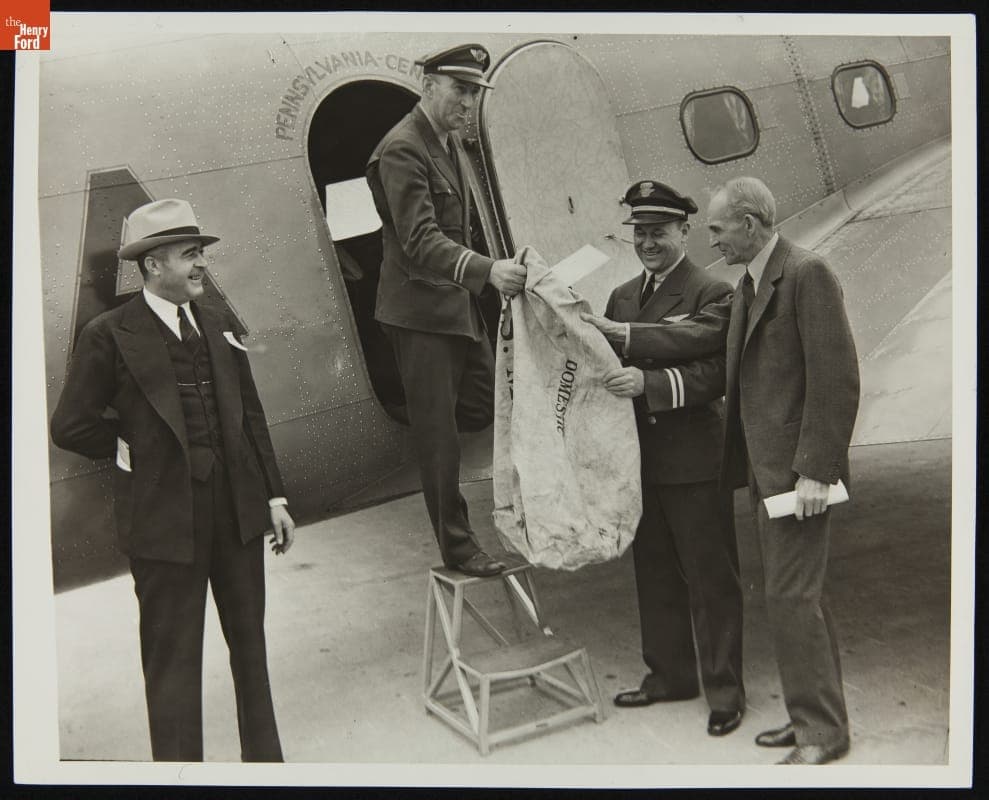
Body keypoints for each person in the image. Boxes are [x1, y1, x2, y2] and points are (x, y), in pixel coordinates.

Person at [589, 177, 860, 764]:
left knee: (792, 597)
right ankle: (809, 718)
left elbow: (835, 379)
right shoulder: (752, 282)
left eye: (715, 228)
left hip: (793, 473)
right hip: (767, 471)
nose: (712, 240)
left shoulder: (804, 274)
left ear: (750, 224)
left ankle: (820, 731)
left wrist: (817, 468)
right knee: (792, 599)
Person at [50, 198, 294, 762]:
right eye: (190, 256)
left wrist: (275, 496)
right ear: (153, 265)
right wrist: (124, 445)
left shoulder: (218, 323)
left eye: (201, 254)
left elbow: (249, 416)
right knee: (173, 669)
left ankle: (267, 771)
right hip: (163, 528)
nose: (202, 265)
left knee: (251, 656)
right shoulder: (109, 334)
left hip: (236, 515)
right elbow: (69, 424)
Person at [366, 43, 539, 577]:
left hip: (456, 307)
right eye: (460, 90)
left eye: (474, 92)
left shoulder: (447, 141)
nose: (469, 103)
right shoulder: (403, 148)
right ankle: (459, 548)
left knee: (492, 404)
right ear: (429, 87)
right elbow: (419, 239)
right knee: (438, 439)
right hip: (419, 316)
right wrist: (489, 270)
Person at [594, 180, 745, 737]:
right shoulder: (622, 297)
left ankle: (725, 691)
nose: (648, 242)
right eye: (640, 232)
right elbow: (601, 362)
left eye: (659, 231)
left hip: (695, 460)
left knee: (711, 579)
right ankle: (669, 676)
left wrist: (649, 384)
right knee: (654, 573)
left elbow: (715, 372)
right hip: (643, 464)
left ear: (685, 230)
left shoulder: (714, 293)